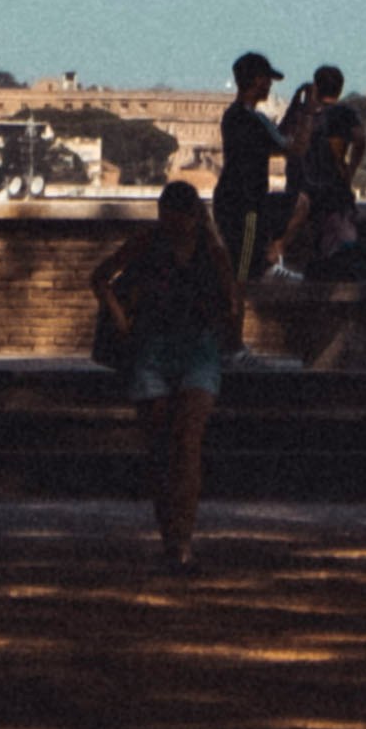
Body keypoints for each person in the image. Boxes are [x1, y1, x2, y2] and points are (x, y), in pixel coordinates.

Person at [94, 180, 247, 570]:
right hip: (153, 349)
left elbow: (232, 300)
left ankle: (182, 539)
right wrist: (120, 316)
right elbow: (101, 277)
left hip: (196, 350)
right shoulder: (148, 243)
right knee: (162, 448)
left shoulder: (211, 253)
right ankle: (170, 537)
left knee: (188, 442)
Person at [280, 66, 366, 285]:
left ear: (315, 86)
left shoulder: (301, 114)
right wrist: (351, 169)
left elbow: (281, 136)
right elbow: (360, 140)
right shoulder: (344, 114)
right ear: (340, 88)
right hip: (334, 194)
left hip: (300, 191)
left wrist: (296, 103)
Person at [211, 53, 284, 278]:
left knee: (244, 267)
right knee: (243, 273)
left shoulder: (238, 116)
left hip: (238, 200)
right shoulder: (249, 119)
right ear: (258, 80)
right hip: (246, 204)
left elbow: (279, 138)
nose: (271, 85)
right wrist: (308, 112)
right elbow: (287, 146)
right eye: (268, 79)